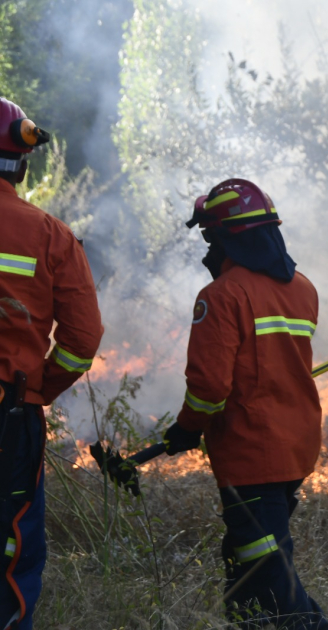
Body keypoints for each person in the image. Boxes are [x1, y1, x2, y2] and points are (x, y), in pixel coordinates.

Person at [162, 178, 328, 629]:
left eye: (209, 236)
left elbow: (210, 387)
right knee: (244, 572)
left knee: (271, 578)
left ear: (224, 237)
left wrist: (186, 427)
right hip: (294, 448)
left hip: (252, 453)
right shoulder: (304, 290)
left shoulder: (221, 296)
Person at [0, 97, 104, 630]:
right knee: (10, 545)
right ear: (20, 160)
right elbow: (83, 340)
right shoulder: (50, 235)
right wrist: (39, 386)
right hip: (9, 412)